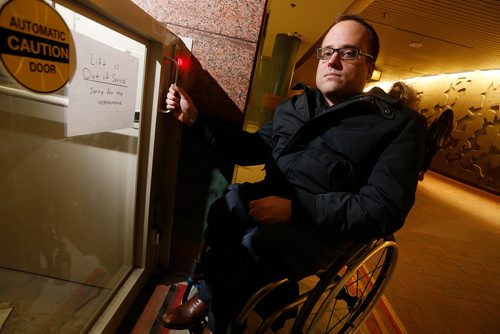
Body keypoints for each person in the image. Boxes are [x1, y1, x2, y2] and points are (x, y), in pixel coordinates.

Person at [161, 14, 427, 334]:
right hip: (271, 202)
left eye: (349, 52)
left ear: (370, 66)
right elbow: (252, 149)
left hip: (321, 228)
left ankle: (215, 307)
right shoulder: (295, 107)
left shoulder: (397, 124)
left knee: (254, 245)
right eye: (327, 52)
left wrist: (296, 209)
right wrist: (195, 121)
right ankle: (235, 292)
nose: (334, 61)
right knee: (226, 205)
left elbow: (384, 208)